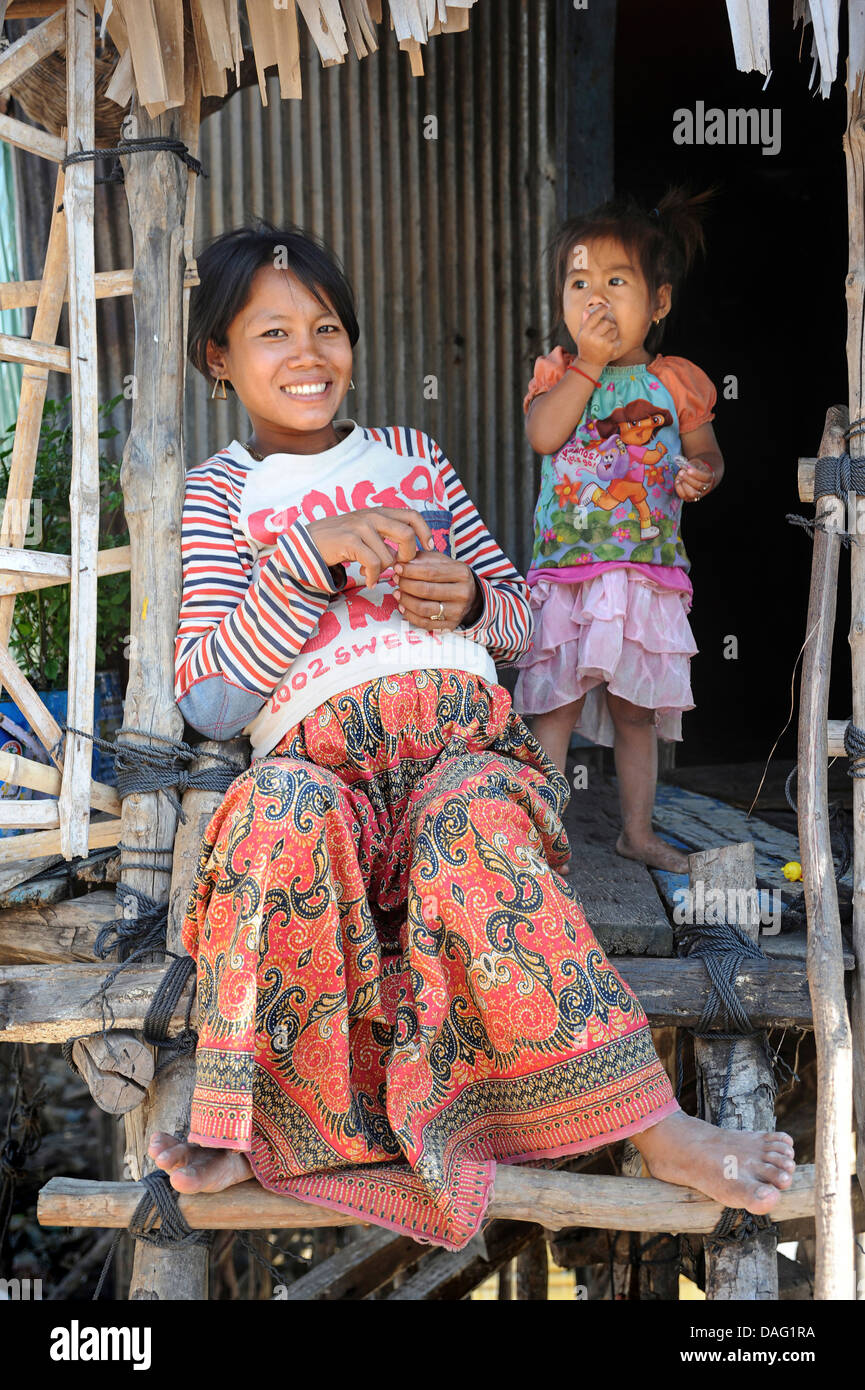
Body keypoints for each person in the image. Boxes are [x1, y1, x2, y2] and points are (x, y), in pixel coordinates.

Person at [149, 221, 793, 1252]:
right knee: (273, 812)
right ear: (219, 358)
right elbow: (211, 701)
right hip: (323, 771)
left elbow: (526, 619)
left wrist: (470, 605)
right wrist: (302, 559)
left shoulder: (413, 457)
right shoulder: (217, 493)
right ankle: (253, 1125)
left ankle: (652, 1123)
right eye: (272, 334)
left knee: (475, 821)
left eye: (326, 327)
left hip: (461, 746)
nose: (308, 354)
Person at [513, 189, 723, 874]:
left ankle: (636, 831)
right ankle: (540, 837)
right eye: (579, 284)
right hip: (568, 571)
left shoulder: (677, 382)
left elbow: (707, 454)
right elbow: (545, 435)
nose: (595, 298)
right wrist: (586, 363)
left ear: (657, 303)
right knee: (556, 709)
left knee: (636, 711)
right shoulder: (557, 373)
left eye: (614, 281)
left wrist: (702, 473)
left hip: (643, 571)